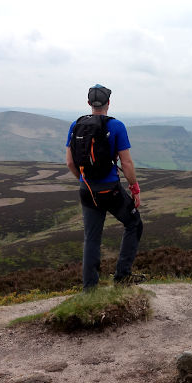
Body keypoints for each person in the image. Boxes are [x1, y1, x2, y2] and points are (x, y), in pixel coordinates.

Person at [66, 84, 144, 289]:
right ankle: (122, 275)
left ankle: (89, 289)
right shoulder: (116, 126)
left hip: (87, 190)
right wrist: (134, 189)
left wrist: (84, 181)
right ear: (109, 103)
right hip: (110, 190)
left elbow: (70, 163)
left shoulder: (75, 126)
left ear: (89, 103)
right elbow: (126, 163)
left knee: (91, 238)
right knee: (134, 223)